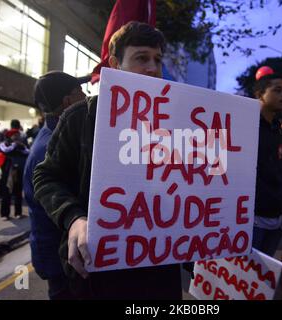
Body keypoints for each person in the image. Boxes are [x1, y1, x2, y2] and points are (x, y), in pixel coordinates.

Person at [33, 22, 184, 300]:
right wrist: (75, 217)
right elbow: (46, 177)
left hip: (160, 269)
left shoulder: (177, 122)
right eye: (141, 58)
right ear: (115, 64)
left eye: (158, 59)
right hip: (98, 272)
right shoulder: (80, 118)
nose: (153, 67)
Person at [24, 71, 87, 299]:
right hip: (59, 258)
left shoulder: (52, 135)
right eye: (80, 91)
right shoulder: (53, 145)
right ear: (67, 101)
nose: (85, 95)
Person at [252, 74, 282, 256]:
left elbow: (281, 168)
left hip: (276, 216)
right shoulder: (246, 124)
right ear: (260, 94)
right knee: (245, 276)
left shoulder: (277, 128)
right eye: (277, 90)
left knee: (262, 276)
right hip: (252, 218)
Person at [0, 129, 29, 220]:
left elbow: (28, 152)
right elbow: (5, 150)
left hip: (19, 170)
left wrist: (22, 147)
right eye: (15, 135)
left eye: (18, 135)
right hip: (8, 170)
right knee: (6, 192)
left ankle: (18, 212)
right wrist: (14, 145)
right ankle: (4, 214)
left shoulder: (21, 145)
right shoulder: (4, 143)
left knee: (18, 192)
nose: (17, 137)